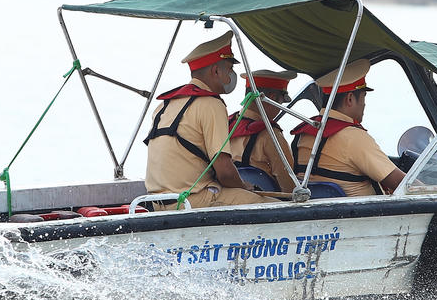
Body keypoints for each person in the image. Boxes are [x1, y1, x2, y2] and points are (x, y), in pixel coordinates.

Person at [143, 30, 267, 208]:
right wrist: (245, 187)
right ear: (216, 71)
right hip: (190, 201)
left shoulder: (164, 106)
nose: (232, 76)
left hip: (156, 204)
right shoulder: (211, 104)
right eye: (230, 69)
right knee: (271, 205)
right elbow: (224, 172)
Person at [291, 59, 405, 197]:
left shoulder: (303, 135)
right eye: (363, 97)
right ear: (350, 99)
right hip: (367, 215)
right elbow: (403, 183)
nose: (364, 105)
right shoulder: (354, 137)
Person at [228, 69, 299, 193]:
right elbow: (289, 186)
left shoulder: (226, 124)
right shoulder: (271, 135)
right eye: (281, 102)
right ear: (270, 98)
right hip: (262, 203)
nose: (280, 108)